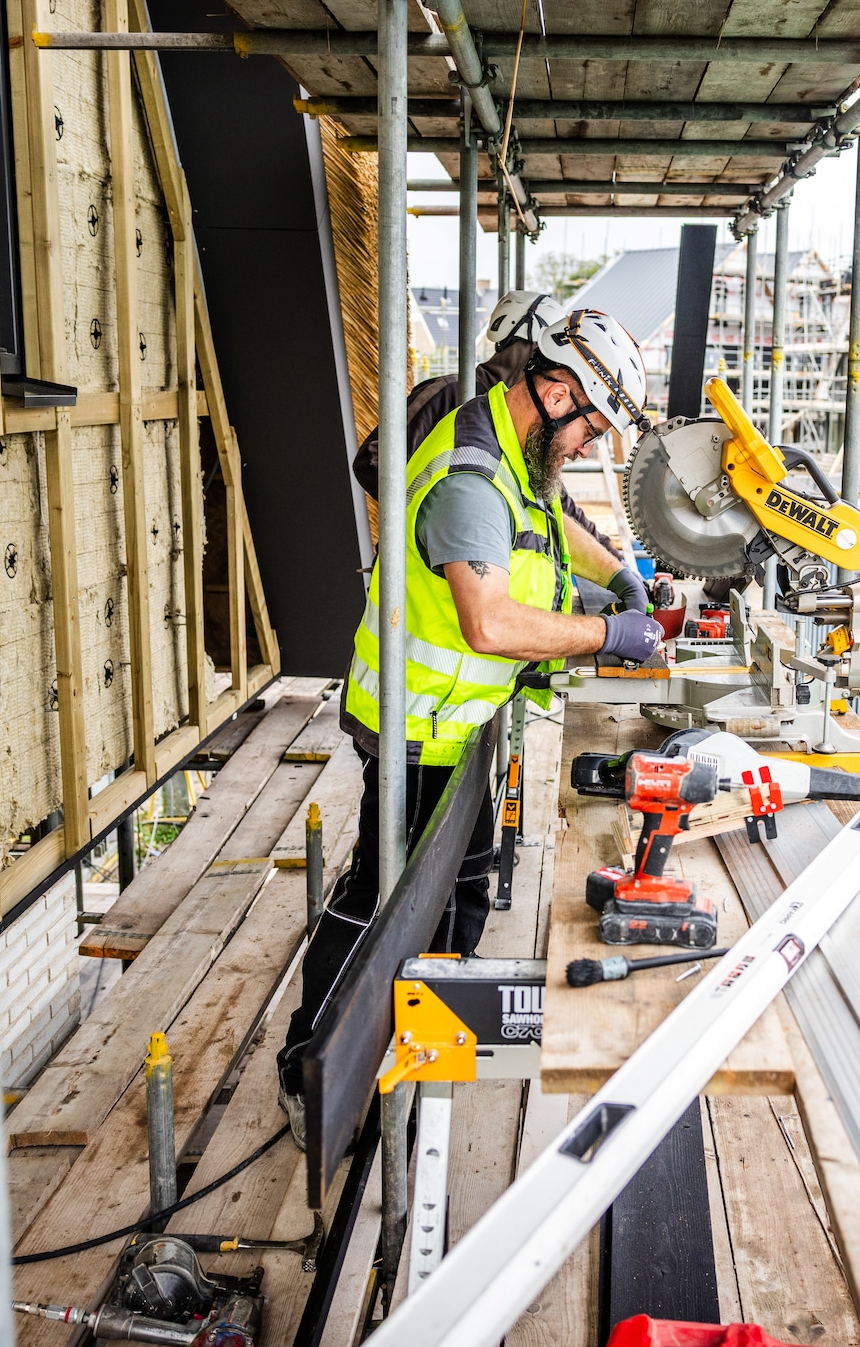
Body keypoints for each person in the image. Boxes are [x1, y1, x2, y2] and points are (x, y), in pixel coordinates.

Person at [278, 307, 663, 1138]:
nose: (591, 448)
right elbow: (489, 621)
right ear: (557, 392)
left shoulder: (508, 451)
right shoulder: (469, 477)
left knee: (458, 891)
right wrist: (607, 632)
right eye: (592, 428)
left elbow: (546, 529)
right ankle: (313, 1071)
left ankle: (419, 1049)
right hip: (418, 729)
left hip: (458, 725)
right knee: (381, 900)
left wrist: (617, 579)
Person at [351, 290, 648, 613]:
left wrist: (620, 570)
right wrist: (437, 521)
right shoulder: (449, 396)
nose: (585, 451)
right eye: (589, 434)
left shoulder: (522, 425)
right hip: (428, 591)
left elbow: (559, 510)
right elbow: (372, 459)